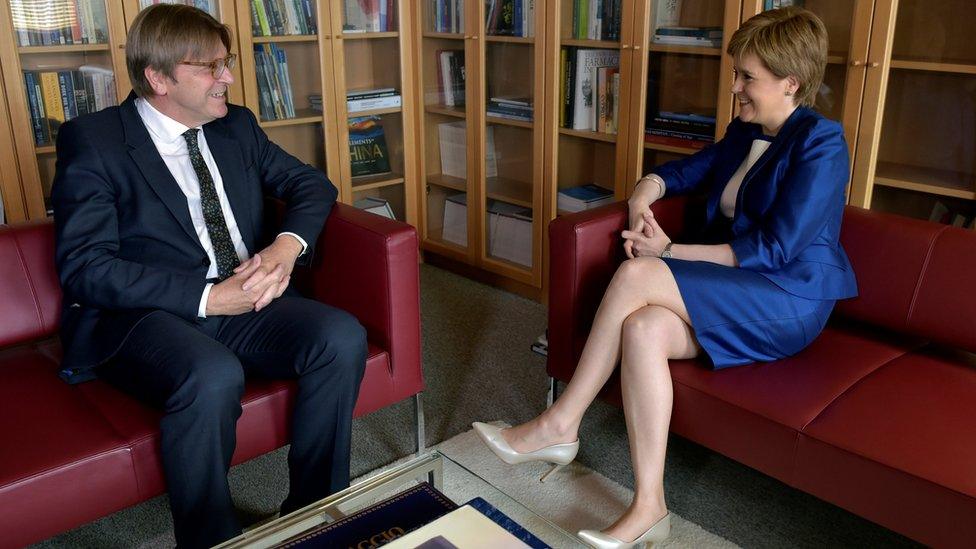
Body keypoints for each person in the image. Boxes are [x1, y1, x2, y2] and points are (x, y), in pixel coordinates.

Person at [474, 7, 857, 548]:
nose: (735, 87)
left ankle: (560, 424)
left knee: (638, 276)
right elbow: (689, 170)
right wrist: (644, 194)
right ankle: (649, 507)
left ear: (791, 81)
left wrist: (670, 251)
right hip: (742, 290)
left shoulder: (821, 143)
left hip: (790, 296)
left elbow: (776, 248)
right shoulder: (744, 130)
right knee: (643, 329)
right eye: (737, 73)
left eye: (747, 77)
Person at [51, 5, 367, 547]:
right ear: (159, 78)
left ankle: (313, 512)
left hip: (242, 297)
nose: (227, 77)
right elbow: (85, 267)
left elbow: (311, 185)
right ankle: (211, 540)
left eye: (228, 62)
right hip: (145, 316)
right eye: (210, 67)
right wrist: (205, 298)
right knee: (212, 374)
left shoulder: (236, 125)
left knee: (341, 337)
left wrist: (286, 248)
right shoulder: (95, 141)